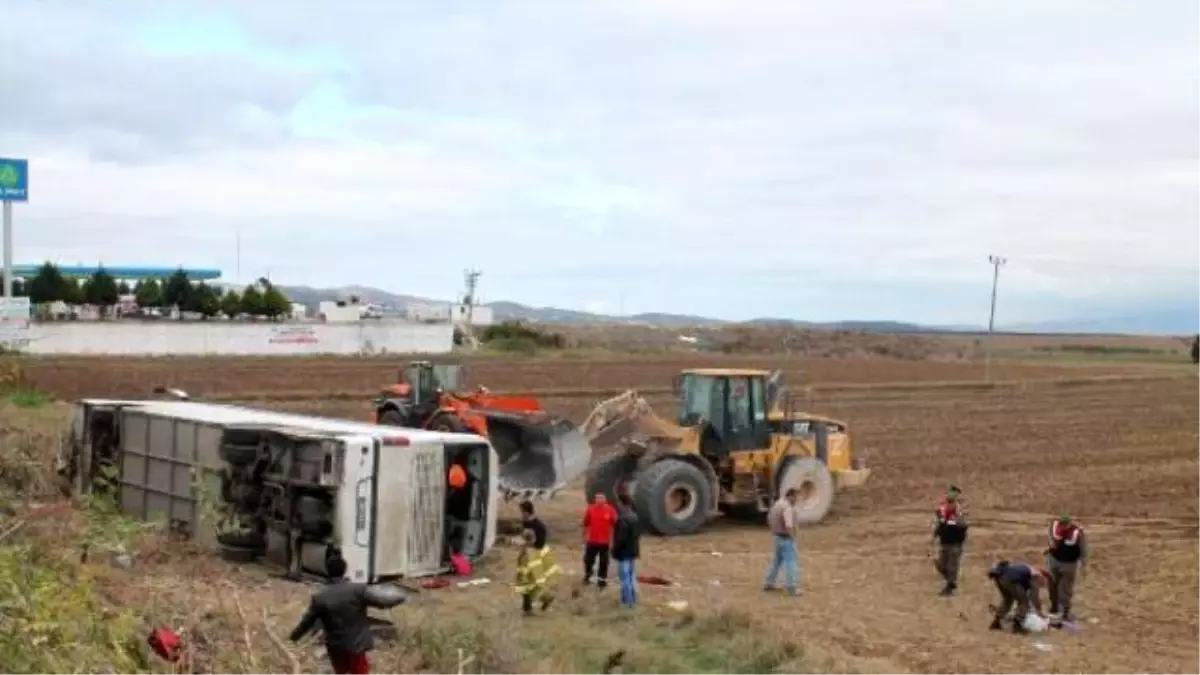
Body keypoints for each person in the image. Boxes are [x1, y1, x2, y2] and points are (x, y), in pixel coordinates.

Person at [289, 554, 407, 675]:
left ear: (327, 571)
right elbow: (383, 602)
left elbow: (307, 621)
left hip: (336, 647)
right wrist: (402, 597)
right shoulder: (357, 590)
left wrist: (293, 637)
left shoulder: (320, 597)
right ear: (344, 570)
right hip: (357, 646)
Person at [1045, 514, 1088, 622]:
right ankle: (1054, 608)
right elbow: (1051, 537)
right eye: (1061, 524)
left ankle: (1064, 612)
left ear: (1069, 524)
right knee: (1052, 586)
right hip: (1054, 561)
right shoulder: (1054, 527)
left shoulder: (1077, 532)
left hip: (1069, 564)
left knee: (1065, 588)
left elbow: (1083, 549)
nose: (1062, 526)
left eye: (1064, 524)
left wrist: (1083, 564)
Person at [987, 560, 1049, 634]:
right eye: (1044, 582)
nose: (1043, 585)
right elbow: (1034, 597)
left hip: (999, 578)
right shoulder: (1036, 576)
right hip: (1012, 580)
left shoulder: (1027, 568)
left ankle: (996, 622)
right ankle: (1017, 626)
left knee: (1008, 600)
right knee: (1024, 603)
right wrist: (1039, 612)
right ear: (1043, 577)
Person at [930, 485, 969, 596]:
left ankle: (950, 586)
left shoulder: (959, 512)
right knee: (941, 565)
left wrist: (952, 522)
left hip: (955, 544)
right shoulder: (944, 511)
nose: (948, 503)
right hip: (944, 543)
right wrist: (934, 536)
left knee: (952, 566)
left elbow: (963, 526)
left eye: (951, 501)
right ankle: (951, 582)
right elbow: (940, 525)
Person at [762, 487, 801, 596]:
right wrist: (792, 536)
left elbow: (769, 518)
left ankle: (768, 582)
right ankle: (791, 587)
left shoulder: (778, 504)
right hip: (785, 538)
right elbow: (789, 525)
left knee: (776, 561)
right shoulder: (787, 507)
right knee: (790, 562)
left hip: (777, 537)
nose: (797, 500)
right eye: (796, 497)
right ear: (791, 496)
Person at [514, 528, 561, 615]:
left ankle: (528, 609)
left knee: (527, 592)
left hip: (527, 575)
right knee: (533, 591)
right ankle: (545, 598)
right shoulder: (533, 549)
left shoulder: (528, 551)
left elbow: (525, 564)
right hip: (530, 574)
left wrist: (523, 575)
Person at [610, 493, 642, 609]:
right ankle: (634, 600)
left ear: (622, 504)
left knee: (625, 579)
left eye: (619, 502)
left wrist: (614, 550)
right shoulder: (635, 517)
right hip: (633, 551)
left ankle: (627, 602)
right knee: (632, 576)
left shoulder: (623, 518)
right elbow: (638, 535)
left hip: (624, 553)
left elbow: (620, 538)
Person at [581, 493, 618, 588]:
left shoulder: (610, 510)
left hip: (604, 542)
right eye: (598, 498)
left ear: (605, 500)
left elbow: (616, 524)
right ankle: (588, 576)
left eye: (602, 498)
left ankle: (602, 581)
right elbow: (585, 523)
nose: (600, 500)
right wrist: (583, 537)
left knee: (604, 562)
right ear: (595, 500)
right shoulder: (590, 509)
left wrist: (615, 539)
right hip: (592, 541)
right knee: (588, 560)